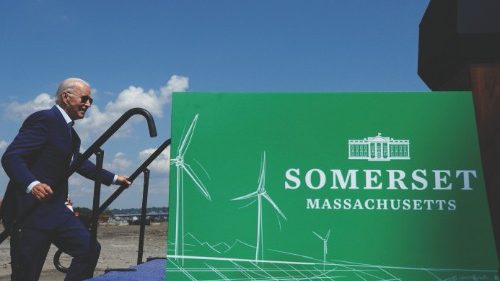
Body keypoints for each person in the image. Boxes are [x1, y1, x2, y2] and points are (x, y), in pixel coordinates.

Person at [1, 78, 131, 281]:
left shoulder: (72, 135)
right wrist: (32, 184)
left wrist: (114, 178)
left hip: (55, 210)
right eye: (85, 98)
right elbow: (12, 157)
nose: (88, 104)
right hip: (29, 212)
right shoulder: (45, 119)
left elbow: (80, 164)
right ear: (65, 97)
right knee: (26, 275)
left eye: (91, 101)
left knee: (88, 249)